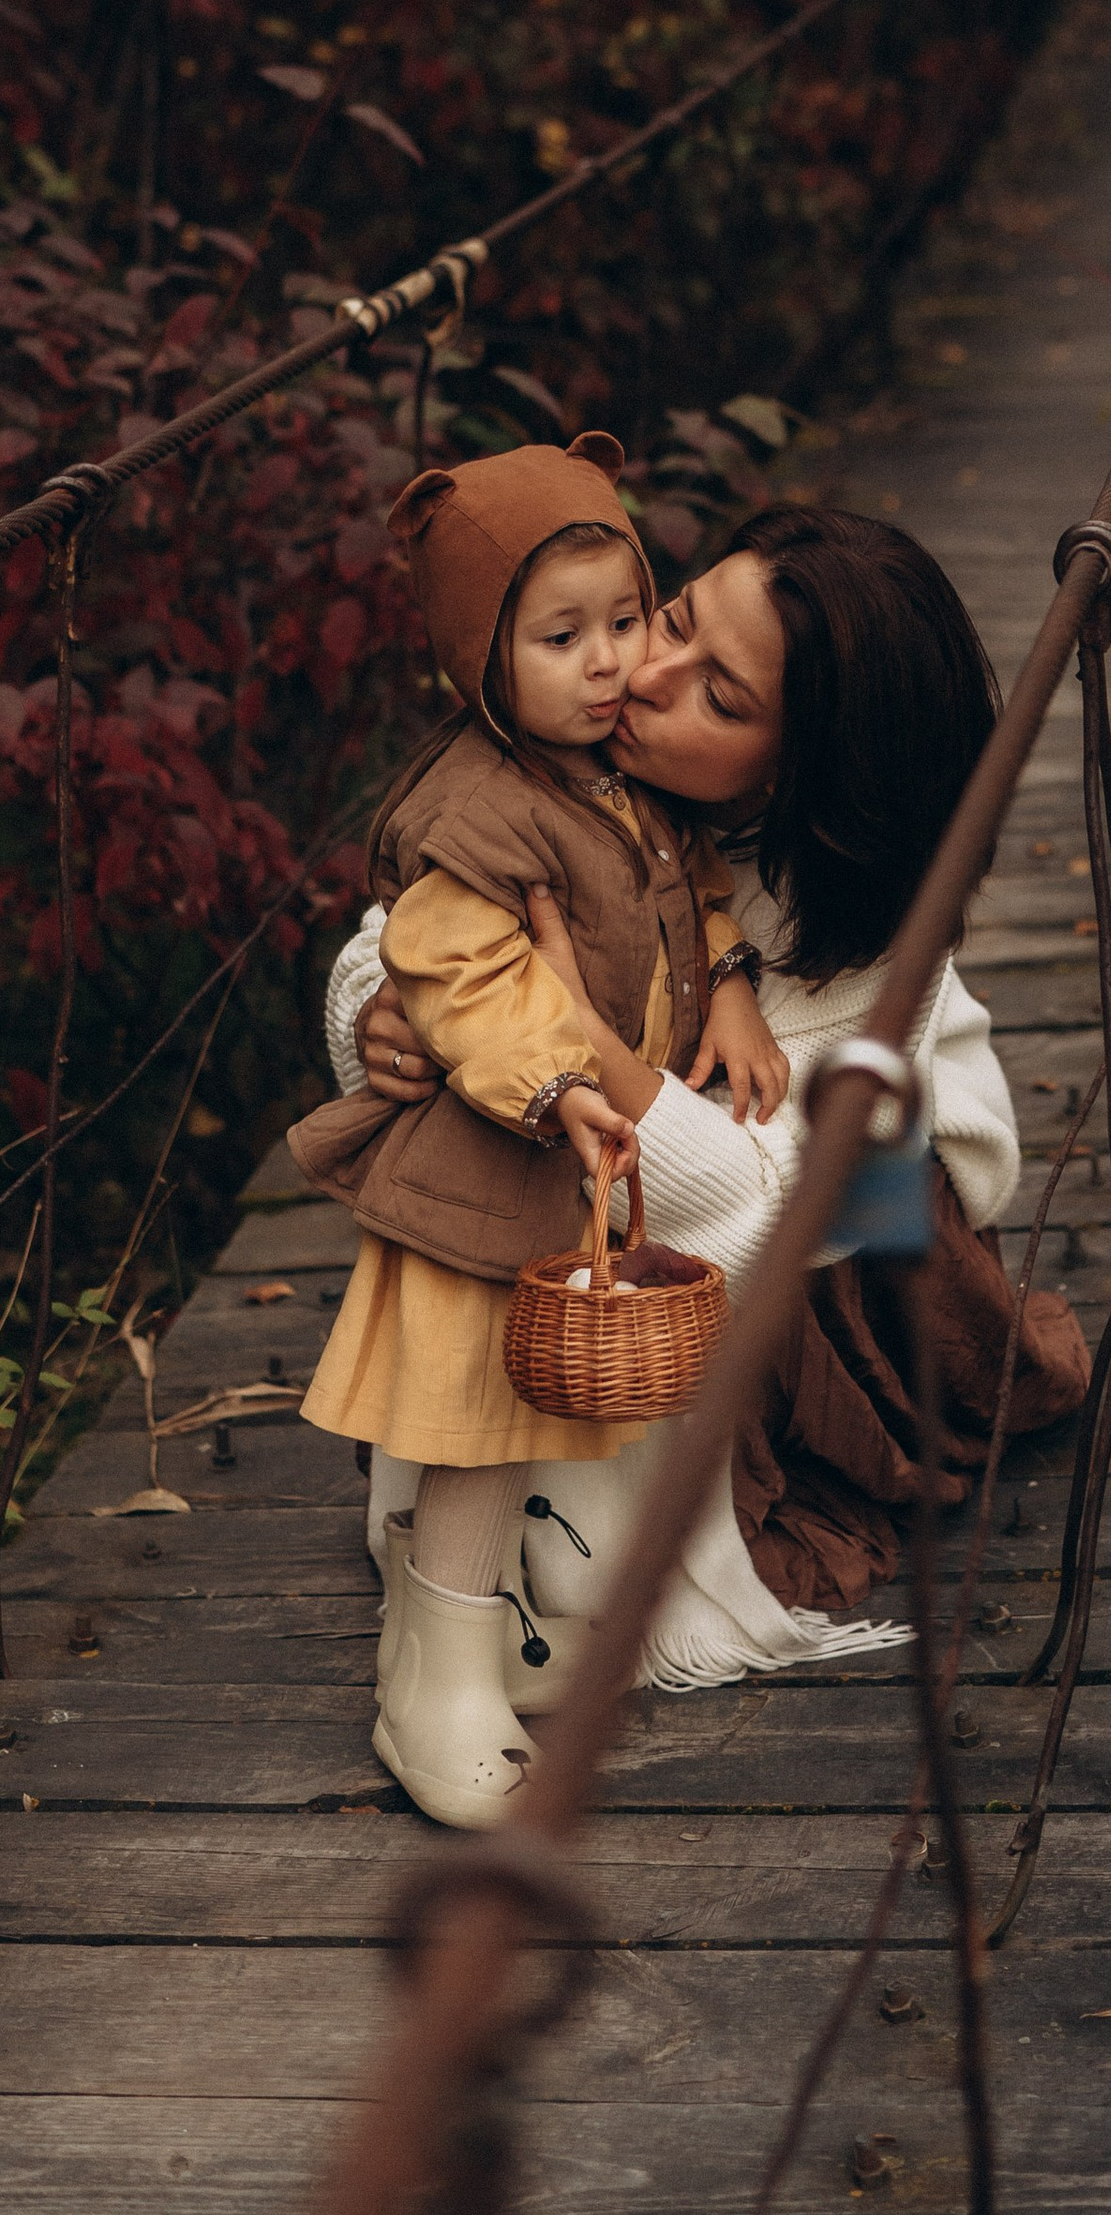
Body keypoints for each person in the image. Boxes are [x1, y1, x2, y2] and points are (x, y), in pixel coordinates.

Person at [327, 502, 1089, 1694]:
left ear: (803, 774)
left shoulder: (865, 944)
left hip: (850, 1241)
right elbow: (400, 939)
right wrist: (390, 1022)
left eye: (718, 698)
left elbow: (755, 1213)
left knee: (869, 1214)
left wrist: (577, 1038)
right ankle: (463, 1606)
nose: (641, 673)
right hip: (610, 1236)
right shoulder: (568, 771)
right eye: (671, 619)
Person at [287, 435, 787, 1827]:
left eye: (627, 621)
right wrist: (557, 1084)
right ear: (479, 666)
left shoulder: (610, 782)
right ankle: (433, 1691)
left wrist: (731, 982)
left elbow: (692, 888)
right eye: (562, 637)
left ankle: (465, 1637)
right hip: (483, 1182)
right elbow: (456, 967)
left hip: (543, 1182)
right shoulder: (480, 808)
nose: (613, 662)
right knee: (474, 1433)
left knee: (508, 1432)